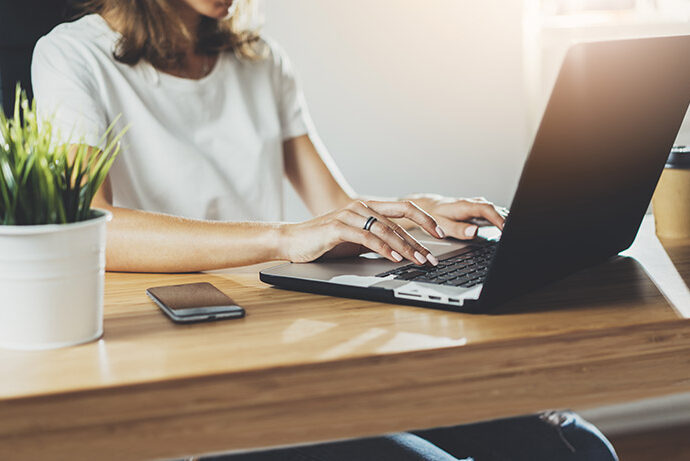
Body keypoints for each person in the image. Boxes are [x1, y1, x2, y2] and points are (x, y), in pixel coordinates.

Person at [30, 1, 618, 460]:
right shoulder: (72, 56)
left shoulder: (259, 59)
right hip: (197, 372)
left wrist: (420, 210)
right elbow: (94, 225)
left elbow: (335, 210)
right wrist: (283, 238)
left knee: (581, 450)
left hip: (293, 347)